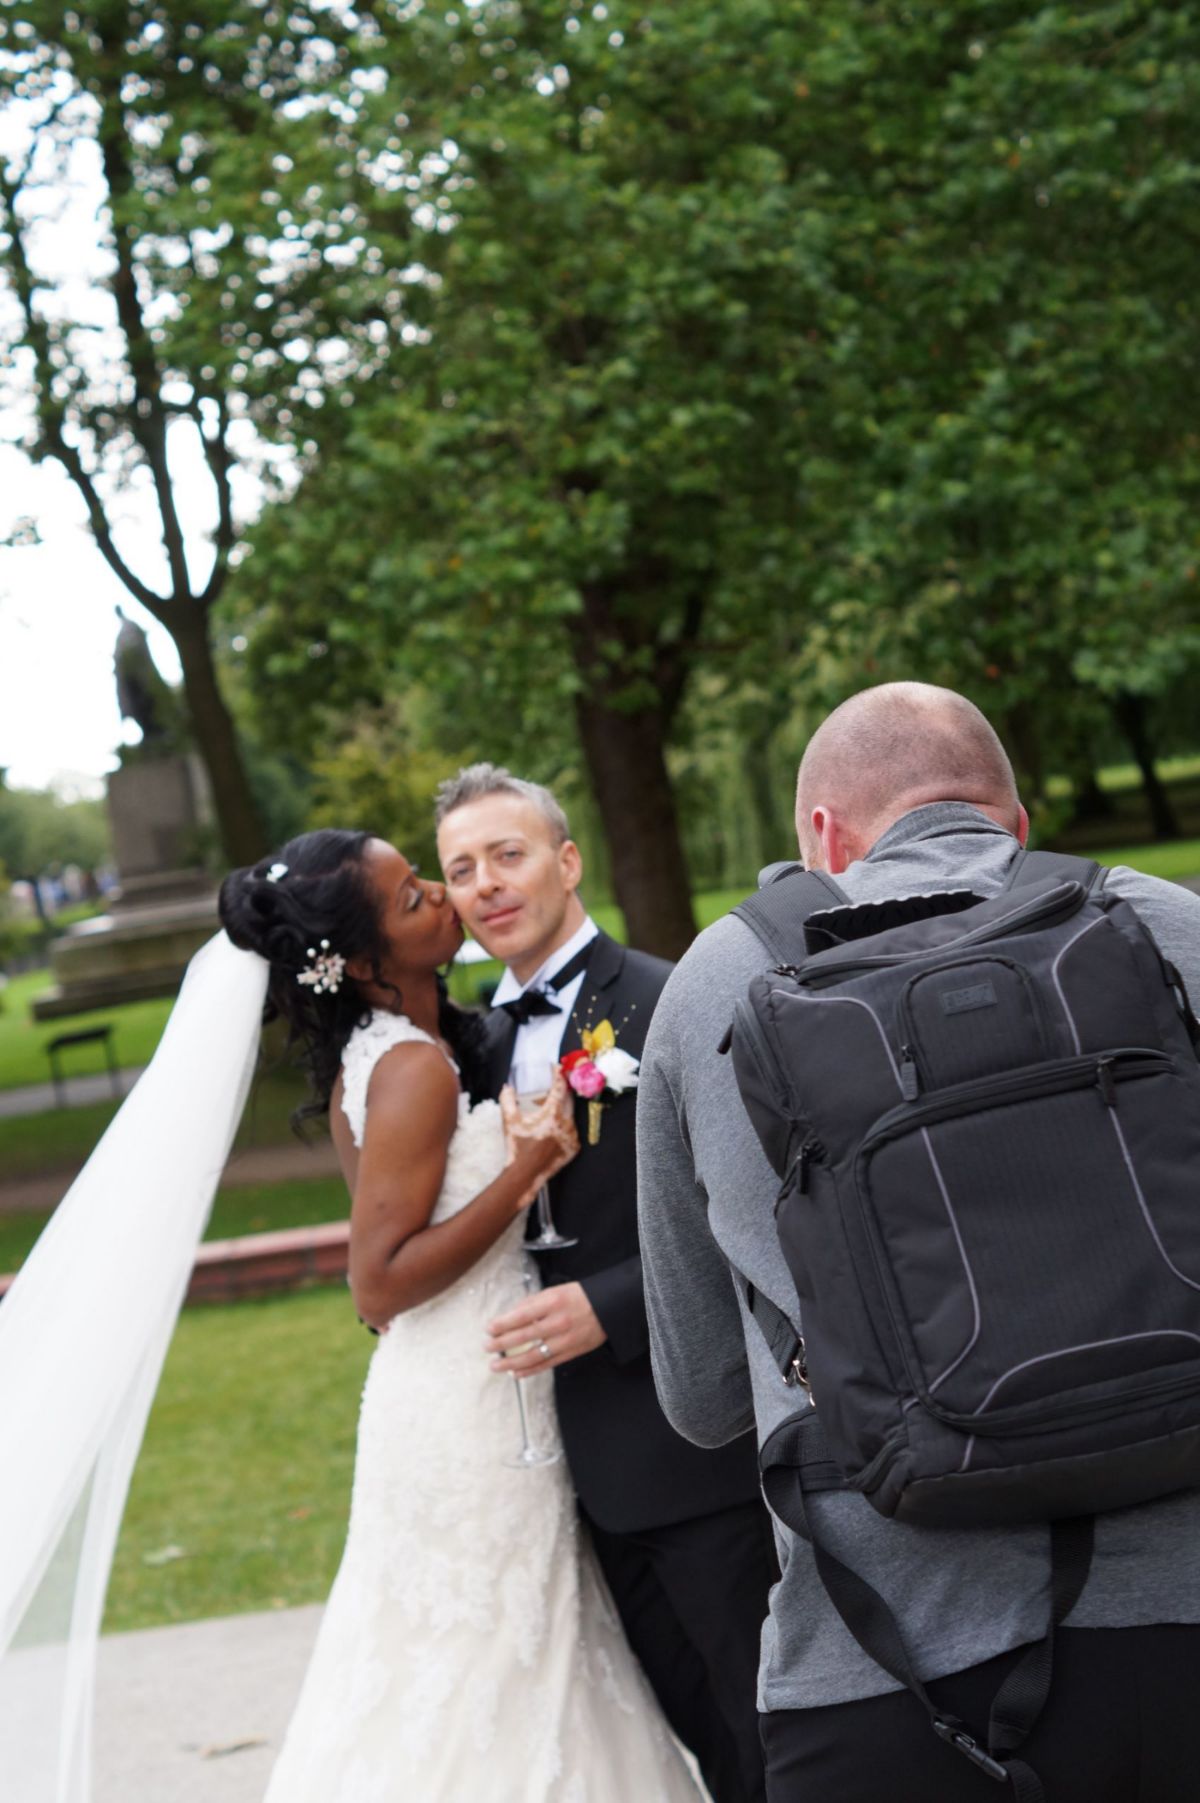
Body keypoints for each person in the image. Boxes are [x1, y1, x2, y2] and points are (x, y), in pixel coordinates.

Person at [636, 682, 1200, 1803]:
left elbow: (700, 1396)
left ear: (823, 838)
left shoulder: (717, 985)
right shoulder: (1163, 922)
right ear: (1016, 824)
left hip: (893, 1673)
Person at [214, 827, 707, 1802]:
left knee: (507, 1654)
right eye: (413, 897)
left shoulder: (413, 1047)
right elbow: (378, 1284)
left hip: (472, 1374)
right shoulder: (413, 1068)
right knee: (487, 1656)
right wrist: (525, 1169)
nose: (446, 895)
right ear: (364, 963)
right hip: (466, 1402)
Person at [436, 765, 776, 1803]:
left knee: (768, 1733)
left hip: (694, 1449)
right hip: (561, 1475)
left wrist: (612, 1303)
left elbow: (754, 1202)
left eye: (508, 854)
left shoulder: (667, 1000)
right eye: (461, 869)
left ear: (568, 860)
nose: (487, 884)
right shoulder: (471, 1045)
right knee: (695, 1740)